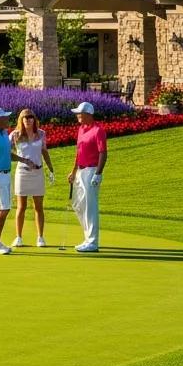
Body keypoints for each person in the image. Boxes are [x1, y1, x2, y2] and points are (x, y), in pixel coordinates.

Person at [0, 107, 37, 255]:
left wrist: (23, 160)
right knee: (3, 209)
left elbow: (7, 154)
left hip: (5, 175)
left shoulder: (4, 134)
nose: (7, 119)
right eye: (4, 118)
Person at [9, 108, 54, 247]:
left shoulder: (41, 134)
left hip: (38, 173)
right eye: (25, 117)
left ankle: (40, 237)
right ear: (21, 120)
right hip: (22, 173)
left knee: (38, 207)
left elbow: (44, 152)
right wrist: (23, 160)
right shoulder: (15, 135)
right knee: (21, 207)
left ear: (34, 119)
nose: (28, 119)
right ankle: (18, 237)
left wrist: (51, 169)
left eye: (30, 117)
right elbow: (7, 153)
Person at [67, 101, 107, 253]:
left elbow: (103, 153)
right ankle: (87, 238)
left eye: (80, 113)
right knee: (78, 205)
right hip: (80, 171)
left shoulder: (98, 131)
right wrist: (73, 171)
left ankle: (92, 241)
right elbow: (78, 153)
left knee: (90, 207)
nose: (77, 115)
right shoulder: (81, 129)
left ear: (88, 114)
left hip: (91, 171)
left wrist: (98, 173)